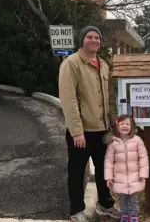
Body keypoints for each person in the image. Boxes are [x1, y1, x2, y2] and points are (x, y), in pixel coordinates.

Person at [58, 25, 121, 222]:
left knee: (104, 169)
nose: (94, 40)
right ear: (82, 40)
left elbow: (110, 97)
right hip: (82, 132)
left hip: (102, 130)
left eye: (97, 38)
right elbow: (68, 100)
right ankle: (76, 211)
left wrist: (114, 123)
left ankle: (105, 205)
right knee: (77, 171)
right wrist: (76, 131)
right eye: (90, 37)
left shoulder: (103, 65)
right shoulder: (71, 63)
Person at [104, 115, 149, 222]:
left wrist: (143, 174)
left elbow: (143, 158)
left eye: (127, 124)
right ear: (117, 127)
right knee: (122, 198)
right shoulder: (113, 143)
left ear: (132, 126)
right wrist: (109, 177)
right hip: (119, 177)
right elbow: (108, 161)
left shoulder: (137, 140)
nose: (124, 126)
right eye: (122, 124)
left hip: (134, 176)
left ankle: (133, 216)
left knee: (133, 198)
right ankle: (124, 214)